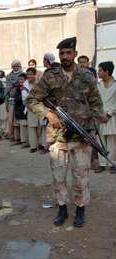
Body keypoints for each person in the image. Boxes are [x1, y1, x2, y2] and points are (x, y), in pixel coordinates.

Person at [26, 37, 103, 228]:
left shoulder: (87, 76)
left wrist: (92, 131)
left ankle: (80, 209)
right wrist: (47, 114)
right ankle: (62, 208)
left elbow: (97, 106)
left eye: (69, 53)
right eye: (62, 53)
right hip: (57, 137)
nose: (65, 56)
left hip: (82, 137)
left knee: (80, 176)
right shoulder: (50, 76)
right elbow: (31, 99)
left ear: (75, 54)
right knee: (59, 176)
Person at [96, 61, 116, 173]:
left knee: (112, 142)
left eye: (100, 70)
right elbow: (94, 101)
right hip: (99, 116)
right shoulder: (97, 85)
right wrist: (99, 114)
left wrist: (109, 114)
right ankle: (102, 164)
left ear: (106, 72)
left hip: (112, 117)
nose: (98, 73)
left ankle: (113, 164)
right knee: (100, 141)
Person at [22, 68, 41, 152]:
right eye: (28, 74)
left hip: (40, 107)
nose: (29, 76)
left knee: (41, 127)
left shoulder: (39, 83)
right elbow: (24, 99)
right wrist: (31, 107)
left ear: (35, 74)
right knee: (32, 127)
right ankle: (33, 146)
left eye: (31, 74)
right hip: (30, 108)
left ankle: (41, 144)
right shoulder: (25, 85)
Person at [6, 60, 23, 143]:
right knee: (11, 120)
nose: (15, 67)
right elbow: (7, 88)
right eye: (14, 65)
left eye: (17, 65)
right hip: (11, 99)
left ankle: (21, 138)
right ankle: (13, 136)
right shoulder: (9, 76)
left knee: (19, 120)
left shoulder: (23, 74)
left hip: (20, 100)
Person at [14, 73, 29, 148]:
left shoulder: (27, 87)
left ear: (25, 79)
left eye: (22, 79)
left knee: (25, 126)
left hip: (25, 109)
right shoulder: (18, 88)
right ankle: (23, 141)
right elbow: (15, 98)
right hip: (19, 110)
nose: (20, 81)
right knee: (22, 126)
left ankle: (26, 142)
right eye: (19, 79)